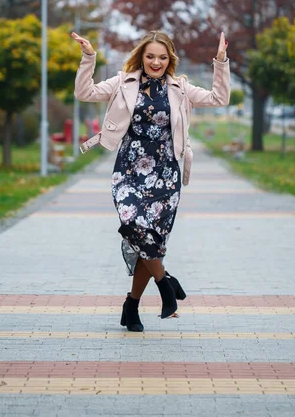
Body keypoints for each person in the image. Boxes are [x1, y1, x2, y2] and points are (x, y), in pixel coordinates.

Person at [72, 30, 230, 332]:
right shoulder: (122, 82)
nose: (156, 62)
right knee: (134, 224)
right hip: (129, 170)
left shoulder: (179, 88)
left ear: (169, 59)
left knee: (150, 243)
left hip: (166, 174)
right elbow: (85, 93)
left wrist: (220, 62)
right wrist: (89, 57)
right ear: (141, 57)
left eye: (162, 57)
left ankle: (132, 306)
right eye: (150, 56)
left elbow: (218, 98)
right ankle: (165, 283)